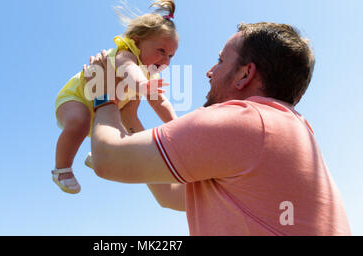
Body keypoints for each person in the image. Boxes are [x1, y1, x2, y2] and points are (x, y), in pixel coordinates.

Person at [84, 22, 351, 235]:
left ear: (245, 75)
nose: (210, 71)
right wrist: (130, 117)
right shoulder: (287, 130)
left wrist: (103, 94)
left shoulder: (247, 121)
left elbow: (108, 160)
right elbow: (170, 195)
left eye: (221, 60)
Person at [52, 0, 179, 194]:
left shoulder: (147, 72)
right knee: (80, 120)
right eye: (161, 51)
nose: (166, 60)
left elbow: (160, 102)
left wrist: (177, 127)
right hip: (75, 98)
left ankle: (97, 155)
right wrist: (143, 85)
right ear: (136, 42)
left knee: (122, 132)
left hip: (101, 104)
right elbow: (129, 70)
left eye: (170, 56)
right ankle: (62, 169)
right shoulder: (125, 53)